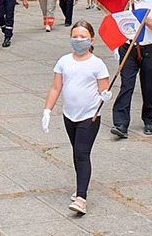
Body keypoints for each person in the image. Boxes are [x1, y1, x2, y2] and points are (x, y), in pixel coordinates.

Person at [42, 20, 112, 215]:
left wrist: (106, 95)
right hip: (69, 115)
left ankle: (81, 197)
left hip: (89, 116)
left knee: (82, 153)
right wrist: (47, 110)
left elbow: (103, 89)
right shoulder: (64, 61)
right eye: (75, 36)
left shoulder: (97, 64)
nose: (79, 40)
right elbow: (56, 87)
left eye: (83, 37)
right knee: (76, 151)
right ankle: (80, 186)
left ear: (91, 40)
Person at [109, 0, 152, 138]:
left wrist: (142, 17)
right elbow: (116, 23)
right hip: (129, 48)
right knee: (126, 85)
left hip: (149, 49)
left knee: (149, 87)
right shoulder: (126, 1)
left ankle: (149, 120)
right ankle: (121, 123)